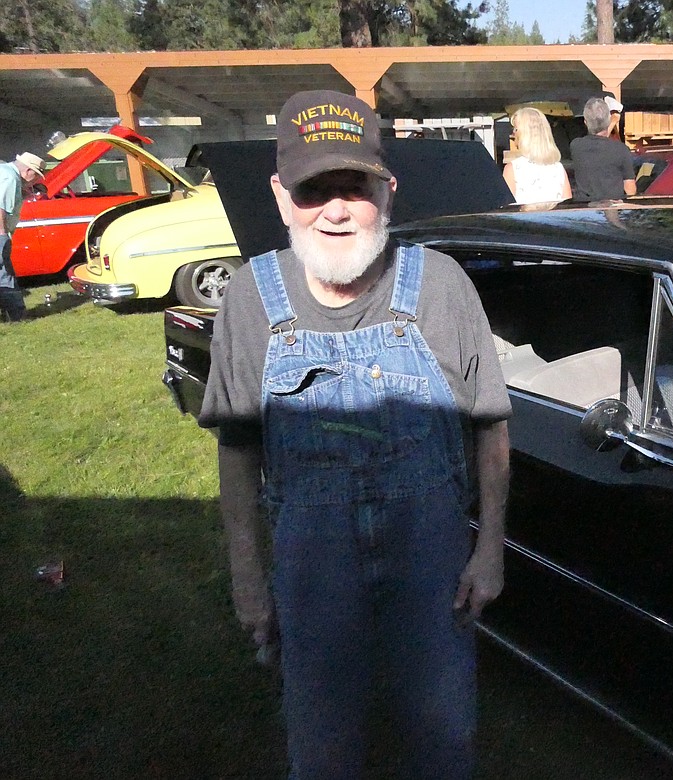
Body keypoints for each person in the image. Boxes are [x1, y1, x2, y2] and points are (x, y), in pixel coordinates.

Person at [198, 89, 511, 780]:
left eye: (354, 187)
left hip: (431, 566)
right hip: (313, 569)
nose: (336, 210)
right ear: (282, 198)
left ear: (387, 192)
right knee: (322, 745)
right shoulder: (251, 299)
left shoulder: (442, 287)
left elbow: (491, 423)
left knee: (442, 738)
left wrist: (488, 551)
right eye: (315, 191)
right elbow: (238, 449)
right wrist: (249, 579)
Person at [0, 152, 45, 322]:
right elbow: (1, 207)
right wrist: (2, 235)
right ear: (27, 171)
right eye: (36, 175)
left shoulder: (3, 171)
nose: (35, 180)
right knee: (4, 274)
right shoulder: (10, 178)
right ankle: (16, 315)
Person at [569, 96, 636, 202]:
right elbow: (630, 189)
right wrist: (613, 122)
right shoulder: (621, 150)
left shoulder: (576, 146)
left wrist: (611, 122)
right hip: (613, 210)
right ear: (608, 121)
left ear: (585, 123)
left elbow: (598, 139)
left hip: (585, 209)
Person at [502, 106, 571, 205]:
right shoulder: (558, 168)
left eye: (516, 129)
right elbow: (567, 209)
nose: (513, 133)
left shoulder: (512, 169)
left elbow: (507, 211)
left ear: (525, 134)